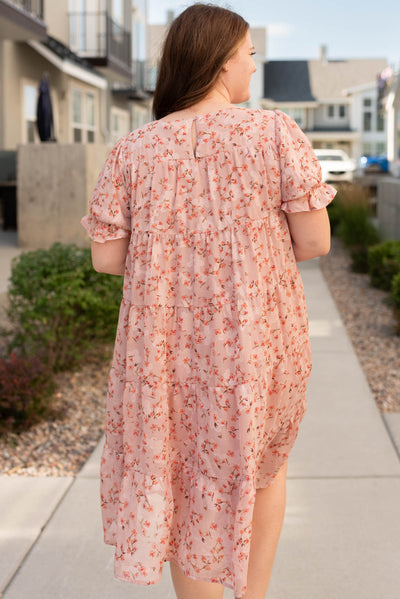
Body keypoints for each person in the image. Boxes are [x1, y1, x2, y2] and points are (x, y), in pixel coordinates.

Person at [81, 4, 335, 599]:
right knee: (262, 468)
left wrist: (173, 260)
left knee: (183, 475)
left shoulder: (134, 149)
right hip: (258, 341)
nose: (254, 65)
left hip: (163, 350)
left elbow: (106, 258)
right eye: (249, 54)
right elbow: (316, 239)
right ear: (223, 64)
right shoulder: (273, 134)